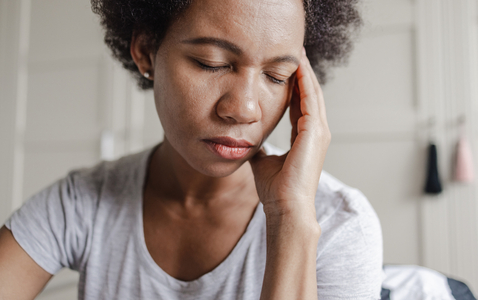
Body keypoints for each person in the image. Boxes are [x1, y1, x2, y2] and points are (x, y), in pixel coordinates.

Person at [0, 0, 383, 299]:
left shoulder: (340, 225)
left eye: (275, 75)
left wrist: (291, 219)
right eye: (211, 63)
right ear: (147, 51)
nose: (244, 109)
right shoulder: (84, 203)